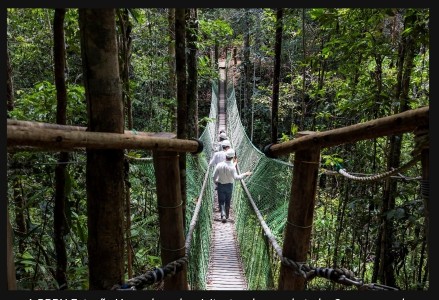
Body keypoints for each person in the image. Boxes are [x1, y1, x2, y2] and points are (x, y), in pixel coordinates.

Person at [213, 148, 252, 223]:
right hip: (229, 186)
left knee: (221, 201)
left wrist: (216, 182)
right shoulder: (232, 167)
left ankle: (223, 215)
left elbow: (213, 176)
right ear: (232, 157)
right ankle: (226, 216)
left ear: (226, 156)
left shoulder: (219, 165)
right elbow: (236, 177)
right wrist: (245, 174)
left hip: (220, 185)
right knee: (228, 201)